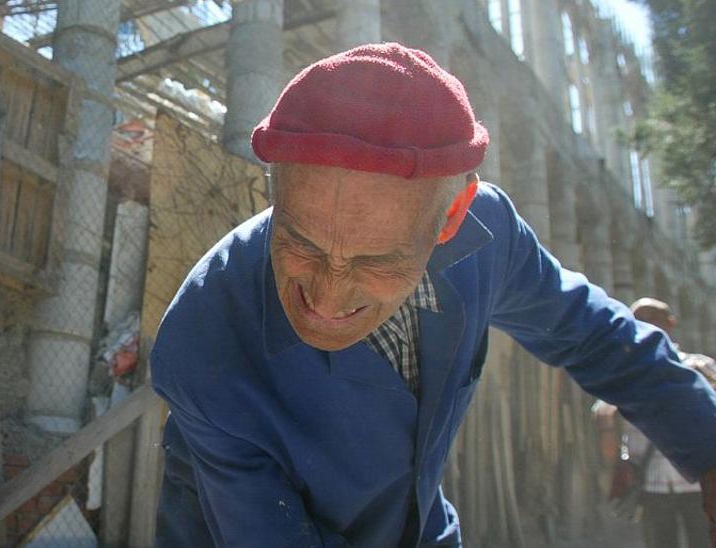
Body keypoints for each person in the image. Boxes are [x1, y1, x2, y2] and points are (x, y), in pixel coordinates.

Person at [149, 43, 716, 547]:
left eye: (376, 261)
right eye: (300, 242)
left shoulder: (486, 239)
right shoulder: (202, 345)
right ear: (275, 190)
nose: (325, 295)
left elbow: (593, 336)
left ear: (452, 218)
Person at [594, 298, 716, 548]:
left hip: (697, 483)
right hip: (651, 483)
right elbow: (603, 418)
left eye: (651, 319)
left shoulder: (699, 366)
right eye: (637, 320)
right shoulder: (622, 371)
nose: (643, 326)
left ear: (670, 323)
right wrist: (617, 463)